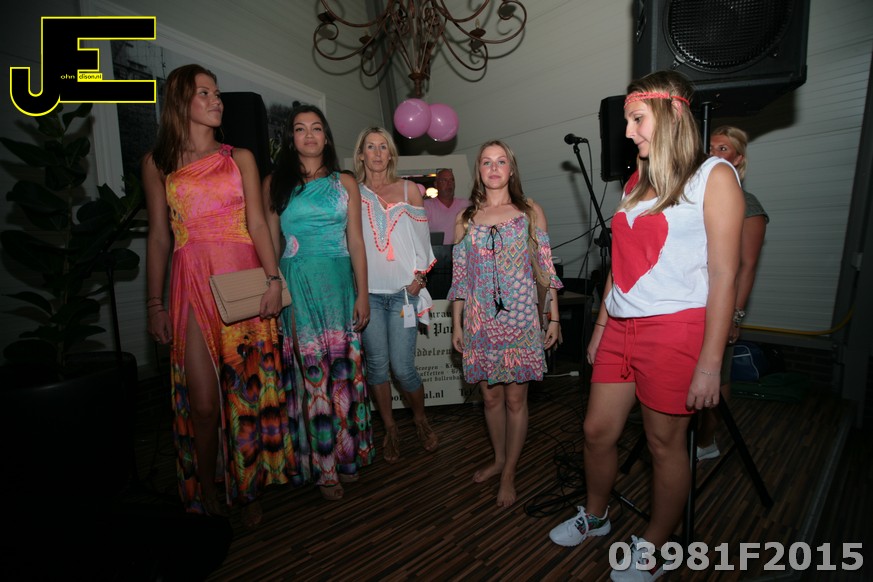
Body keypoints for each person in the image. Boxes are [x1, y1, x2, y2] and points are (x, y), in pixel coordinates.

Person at [547, 70, 744, 582]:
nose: (629, 132)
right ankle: (596, 517)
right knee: (596, 431)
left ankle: (656, 546)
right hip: (621, 326)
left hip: (676, 329)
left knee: (663, 445)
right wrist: (601, 326)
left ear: (672, 112)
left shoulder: (715, 176)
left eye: (637, 119)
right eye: (628, 121)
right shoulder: (637, 181)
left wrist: (711, 363)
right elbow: (622, 263)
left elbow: (725, 274)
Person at [143, 64, 294, 527]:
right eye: (204, 93)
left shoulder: (240, 157)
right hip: (191, 283)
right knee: (204, 403)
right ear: (180, 101)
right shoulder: (157, 164)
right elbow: (158, 237)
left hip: (243, 279)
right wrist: (154, 303)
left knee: (245, 395)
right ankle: (207, 486)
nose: (216, 100)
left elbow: (258, 224)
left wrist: (273, 280)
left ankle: (247, 488)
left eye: (217, 93)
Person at [264, 104, 374, 501]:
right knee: (314, 375)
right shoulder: (275, 183)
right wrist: (272, 286)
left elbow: (356, 241)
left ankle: (347, 456)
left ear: (326, 137)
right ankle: (325, 468)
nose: (308, 135)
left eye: (316, 128)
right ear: (290, 138)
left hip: (340, 285)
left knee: (344, 373)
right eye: (300, 128)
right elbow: (270, 243)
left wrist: (363, 292)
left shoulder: (346, 182)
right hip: (298, 284)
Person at [448, 140, 562, 508]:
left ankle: (510, 470)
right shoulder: (465, 219)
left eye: (501, 162)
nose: (494, 168)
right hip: (480, 324)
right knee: (490, 397)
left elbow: (545, 270)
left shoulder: (529, 211)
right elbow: (460, 279)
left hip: (521, 321)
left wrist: (554, 317)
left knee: (515, 399)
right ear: (478, 170)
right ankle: (498, 459)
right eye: (487, 162)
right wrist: (457, 324)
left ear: (511, 169)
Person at [353, 126, 439, 464]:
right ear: (361, 154)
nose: (377, 153)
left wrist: (419, 279)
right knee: (376, 368)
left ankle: (420, 420)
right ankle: (390, 429)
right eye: (370, 146)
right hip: (369, 296)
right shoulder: (352, 193)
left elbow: (423, 243)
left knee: (403, 369)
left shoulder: (409, 190)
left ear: (391, 154)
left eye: (383, 147)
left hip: (405, 295)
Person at [697, 125, 769, 460]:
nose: (713, 154)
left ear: (738, 159)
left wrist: (734, 317)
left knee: (717, 376)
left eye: (723, 149)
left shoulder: (747, 203)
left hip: (721, 307)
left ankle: (706, 441)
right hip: (690, 304)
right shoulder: (694, 197)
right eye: (710, 147)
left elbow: (746, 266)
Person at [424, 168, 470, 244]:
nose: (449, 184)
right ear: (436, 184)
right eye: (444, 180)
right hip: (436, 251)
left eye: (452, 180)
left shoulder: (466, 205)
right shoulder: (426, 206)